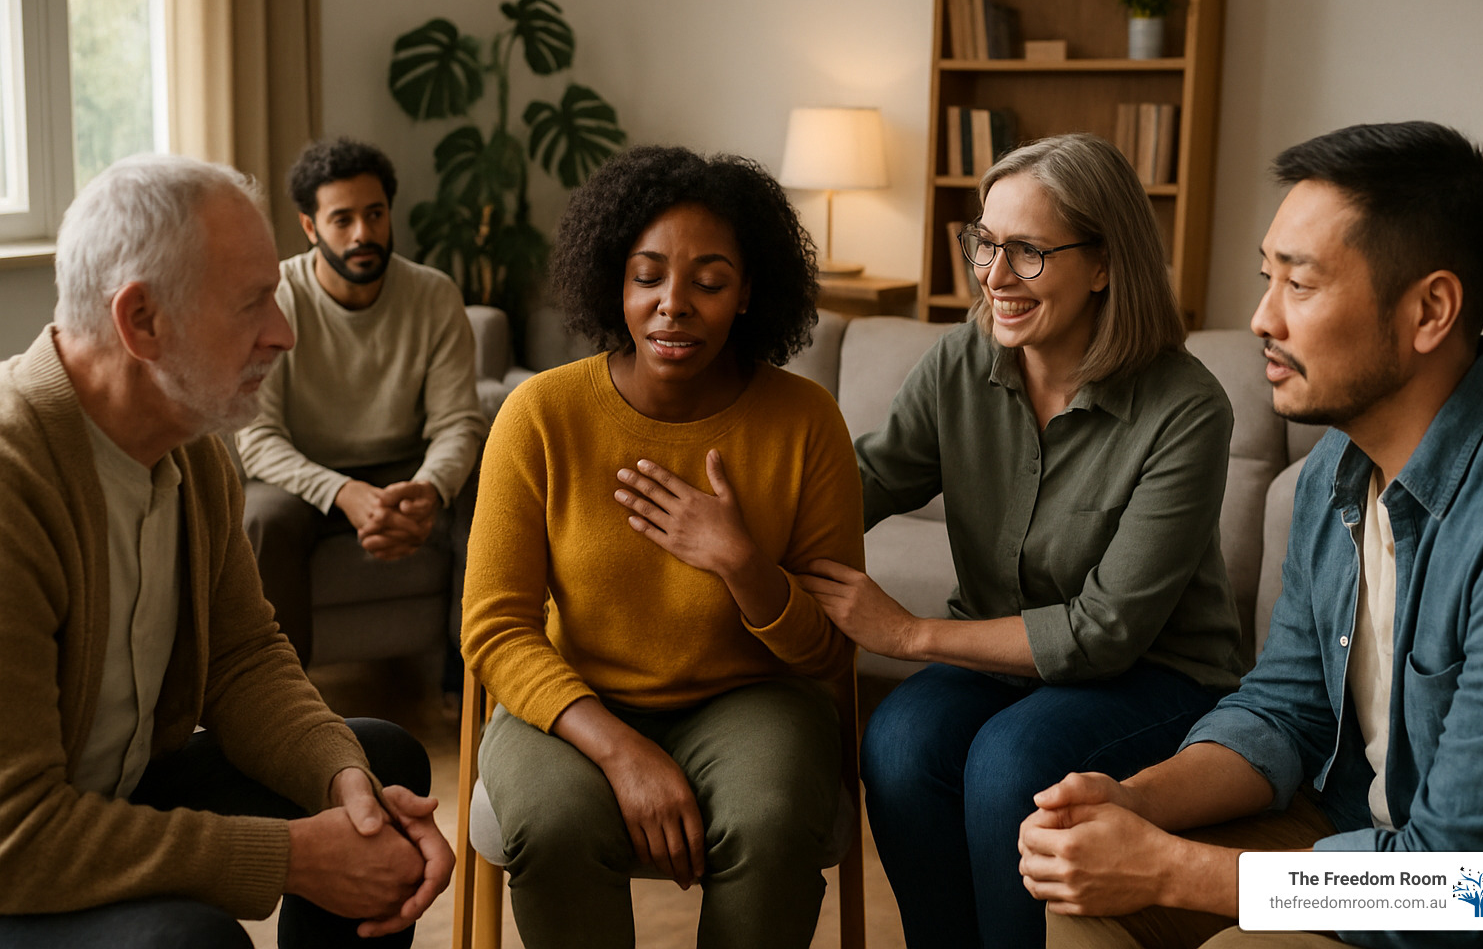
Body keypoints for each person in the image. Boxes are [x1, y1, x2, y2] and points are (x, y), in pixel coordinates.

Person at [1020, 121, 1483, 948]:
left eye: (1299, 285)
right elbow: (1284, 709)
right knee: (1087, 890)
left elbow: (1466, 881)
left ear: (1430, 309)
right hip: (1353, 837)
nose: (1261, 319)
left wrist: (1163, 866)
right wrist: (1133, 802)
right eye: (1267, 278)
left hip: (1477, 902)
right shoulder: (1338, 466)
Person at [799, 132, 1243, 949]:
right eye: (987, 244)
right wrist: (738, 510)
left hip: (1156, 673)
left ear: (1105, 263)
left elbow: (1106, 634)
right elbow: (861, 483)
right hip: (1001, 665)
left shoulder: (1187, 408)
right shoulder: (961, 362)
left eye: (1029, 252)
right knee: (896, 742)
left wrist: (907, 635)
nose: (995, 278)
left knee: (1011, 765)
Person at [0, 154, 453, 948]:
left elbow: (242, 657)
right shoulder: (12, 482)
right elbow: (17, 836)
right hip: (25, 850)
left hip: (116, 791)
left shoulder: (191, 447)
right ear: (141, 322)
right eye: (252, 304)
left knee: (378, 763)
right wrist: (289, 857)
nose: (283, 334)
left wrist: (341, 785)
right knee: (191, 938)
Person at [461, 145, 862, 949]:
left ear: (748, 292)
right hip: (575, 700)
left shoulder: (806, 421)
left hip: (755, 700)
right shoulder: (540, 415)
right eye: (648, 276)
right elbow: (494, 627)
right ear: (616, 280)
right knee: (553, 821)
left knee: (772, 820)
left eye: (708, 282)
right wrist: (620, 750)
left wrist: (744, 566)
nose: (673, 304)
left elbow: (826, 653)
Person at [237, 137, 487, 682]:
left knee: (489, 480)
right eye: (342, 219)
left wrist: (428, 489)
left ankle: (469, 674)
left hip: (404, 466)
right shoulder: (277, 297)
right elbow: (258, 439)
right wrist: (343, 493)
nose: (363, 235)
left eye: (374, 214)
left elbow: (456, 422)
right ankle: (281, 691)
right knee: (260, 517)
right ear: (310, 227)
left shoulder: (433, 295)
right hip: (306, 475)